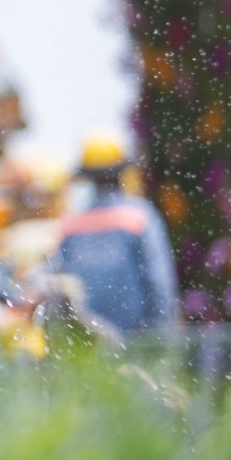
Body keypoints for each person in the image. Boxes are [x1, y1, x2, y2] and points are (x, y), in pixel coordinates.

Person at [46, 133, 179, 337]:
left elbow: (60, 283)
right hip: (136, 339)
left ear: (87, 175)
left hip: (89, 342)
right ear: (121, 171)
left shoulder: (70, 223)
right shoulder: (141, 216)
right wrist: (159, 331)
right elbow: (159, 281)